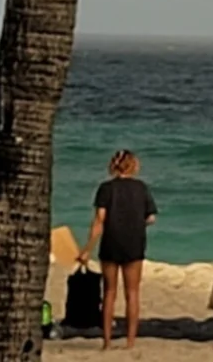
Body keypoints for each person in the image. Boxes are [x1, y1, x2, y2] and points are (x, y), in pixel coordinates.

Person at [80, 150, 158, 351]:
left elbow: (99, 220)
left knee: (109, 293)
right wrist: (137, 222)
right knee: (132, 293)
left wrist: (87, 249)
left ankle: (107, 342)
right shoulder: (141, 188)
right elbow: (151, 217)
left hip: (111, 242)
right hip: (134, 243)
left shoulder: (106, 188)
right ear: (133, 165)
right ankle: (130, 342)